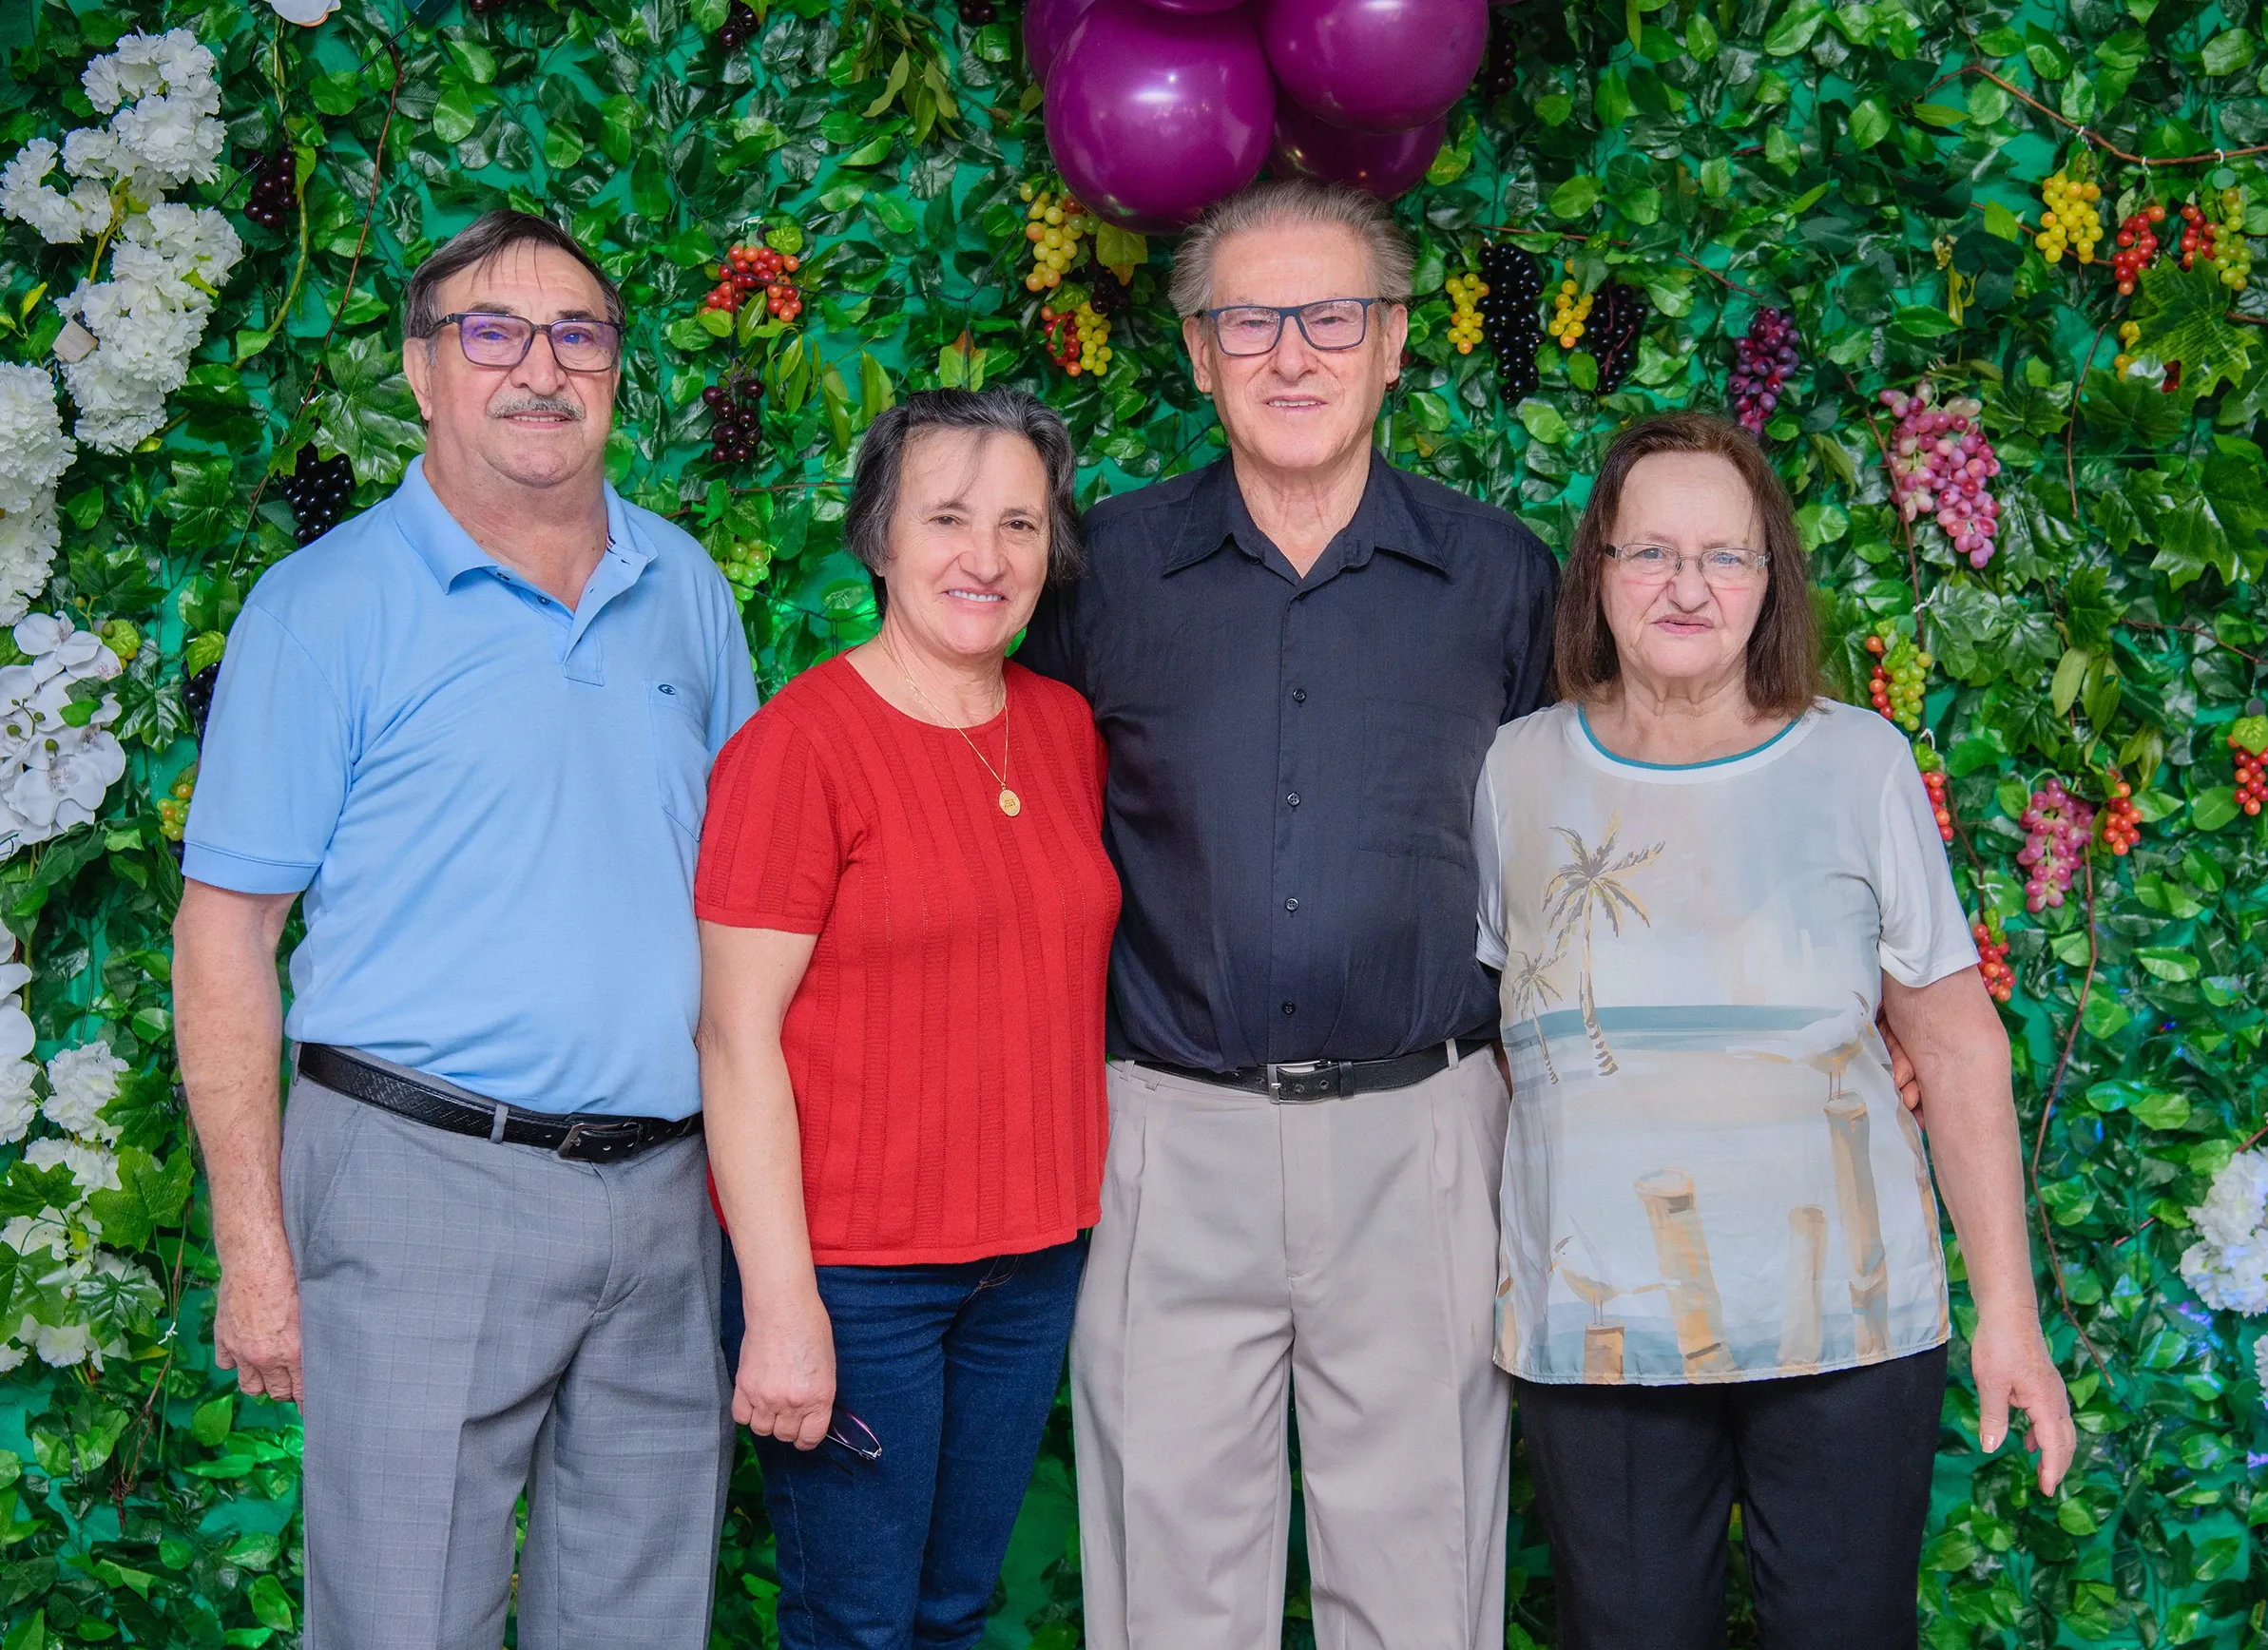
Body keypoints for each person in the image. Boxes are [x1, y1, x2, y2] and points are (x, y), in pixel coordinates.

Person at [173, 210, 757, 1650]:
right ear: (423, 374)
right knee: (399, 1624)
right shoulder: (323, 608)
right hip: (419, 1175)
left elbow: (747, 914)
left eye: (579, 336)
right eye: (490, 333)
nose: (539, 369)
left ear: (617, 372)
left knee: (637, 1620)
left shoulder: (684, 586)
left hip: (663, 1196)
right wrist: (256, 1250)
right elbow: (223, 938)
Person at [1014, 178, 1557, 1650]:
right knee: (1169, 1581)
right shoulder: (1097, 573)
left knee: (1423, 1577)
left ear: (1393, 345)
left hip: (1425, 1135)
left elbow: (1588, 849)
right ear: (1195, 353)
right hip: (1165, 1137)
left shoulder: (1500, 576)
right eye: (1247, 319)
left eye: (1332, 316)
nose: (1290, 354)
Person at [1473, 411, 2075, 1647]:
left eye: (1724, 556)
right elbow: (1500, 1034)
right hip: (1601, 1342)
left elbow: (1954, 1042)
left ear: (1767, 581)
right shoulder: (1513, 773)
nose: (1685, 586)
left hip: (1847, 1336)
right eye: (1649, 553)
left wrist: (2005, 1318)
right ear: (1596, 573)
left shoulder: (1857, 765)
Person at [696, 388, 1118, 1650]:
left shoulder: (1062, 730)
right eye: (946, 518)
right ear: (878, 535)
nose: (983, 560)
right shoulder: (799, 749)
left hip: (1030, 1262)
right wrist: (781, 1305)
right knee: (856, 1625)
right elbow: (734, 1040)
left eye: (1018, 526)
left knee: (952, 1609)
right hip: (859, 1280)